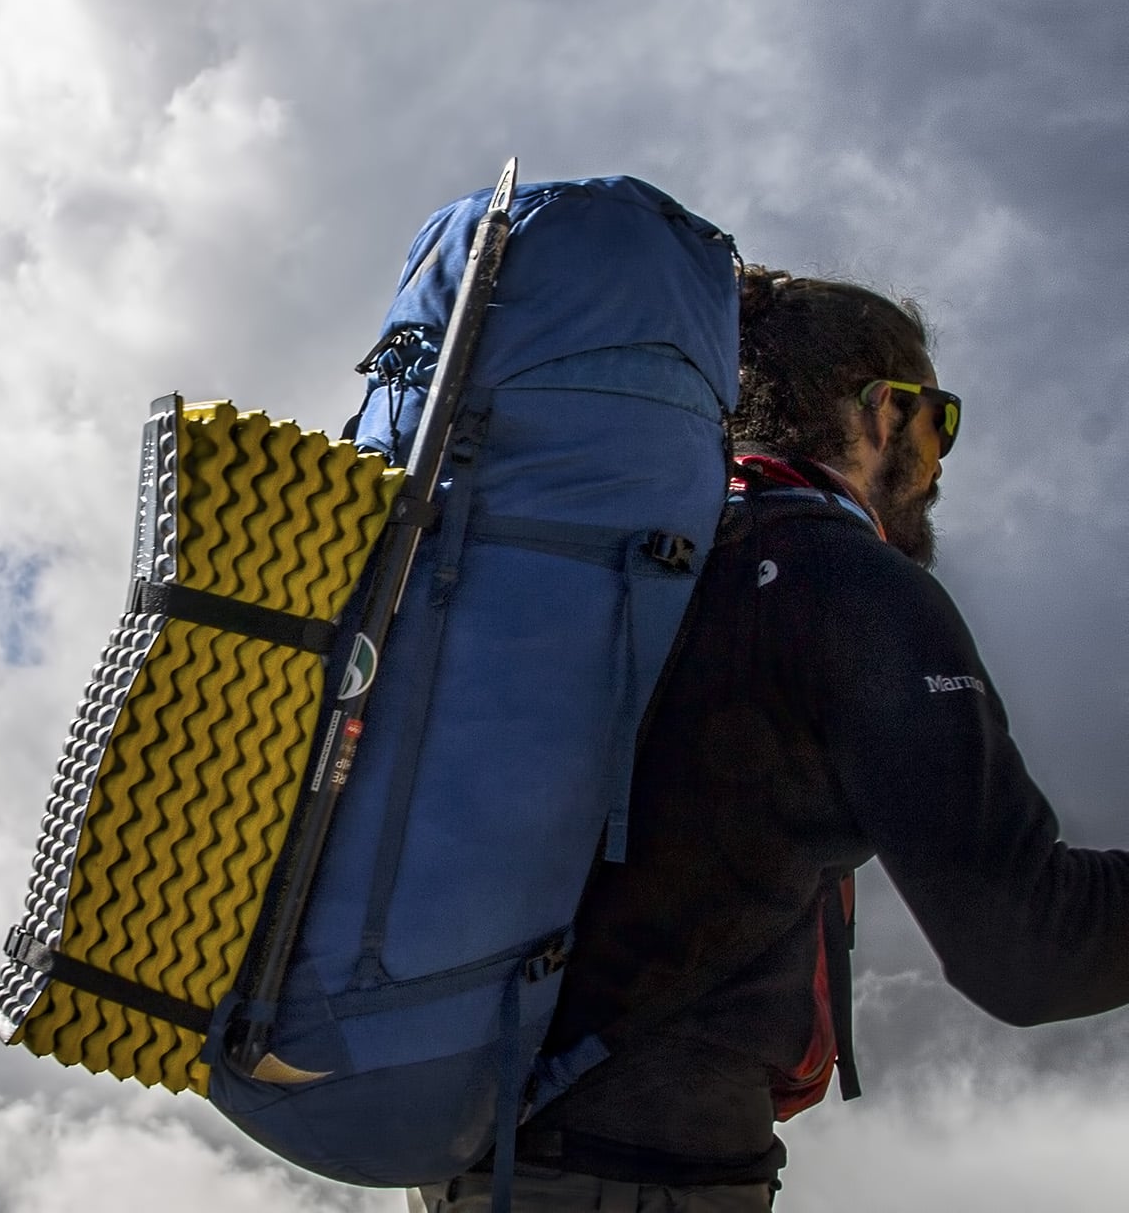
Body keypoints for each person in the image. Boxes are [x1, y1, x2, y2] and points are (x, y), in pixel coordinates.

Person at [411, 267, 1129, 1211]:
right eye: (939, 423)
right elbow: (1028, 944)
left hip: (467, 1165)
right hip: (645, 1182)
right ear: (883, 412)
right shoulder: (848, 587)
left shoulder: (638, 560)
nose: (941, 464)